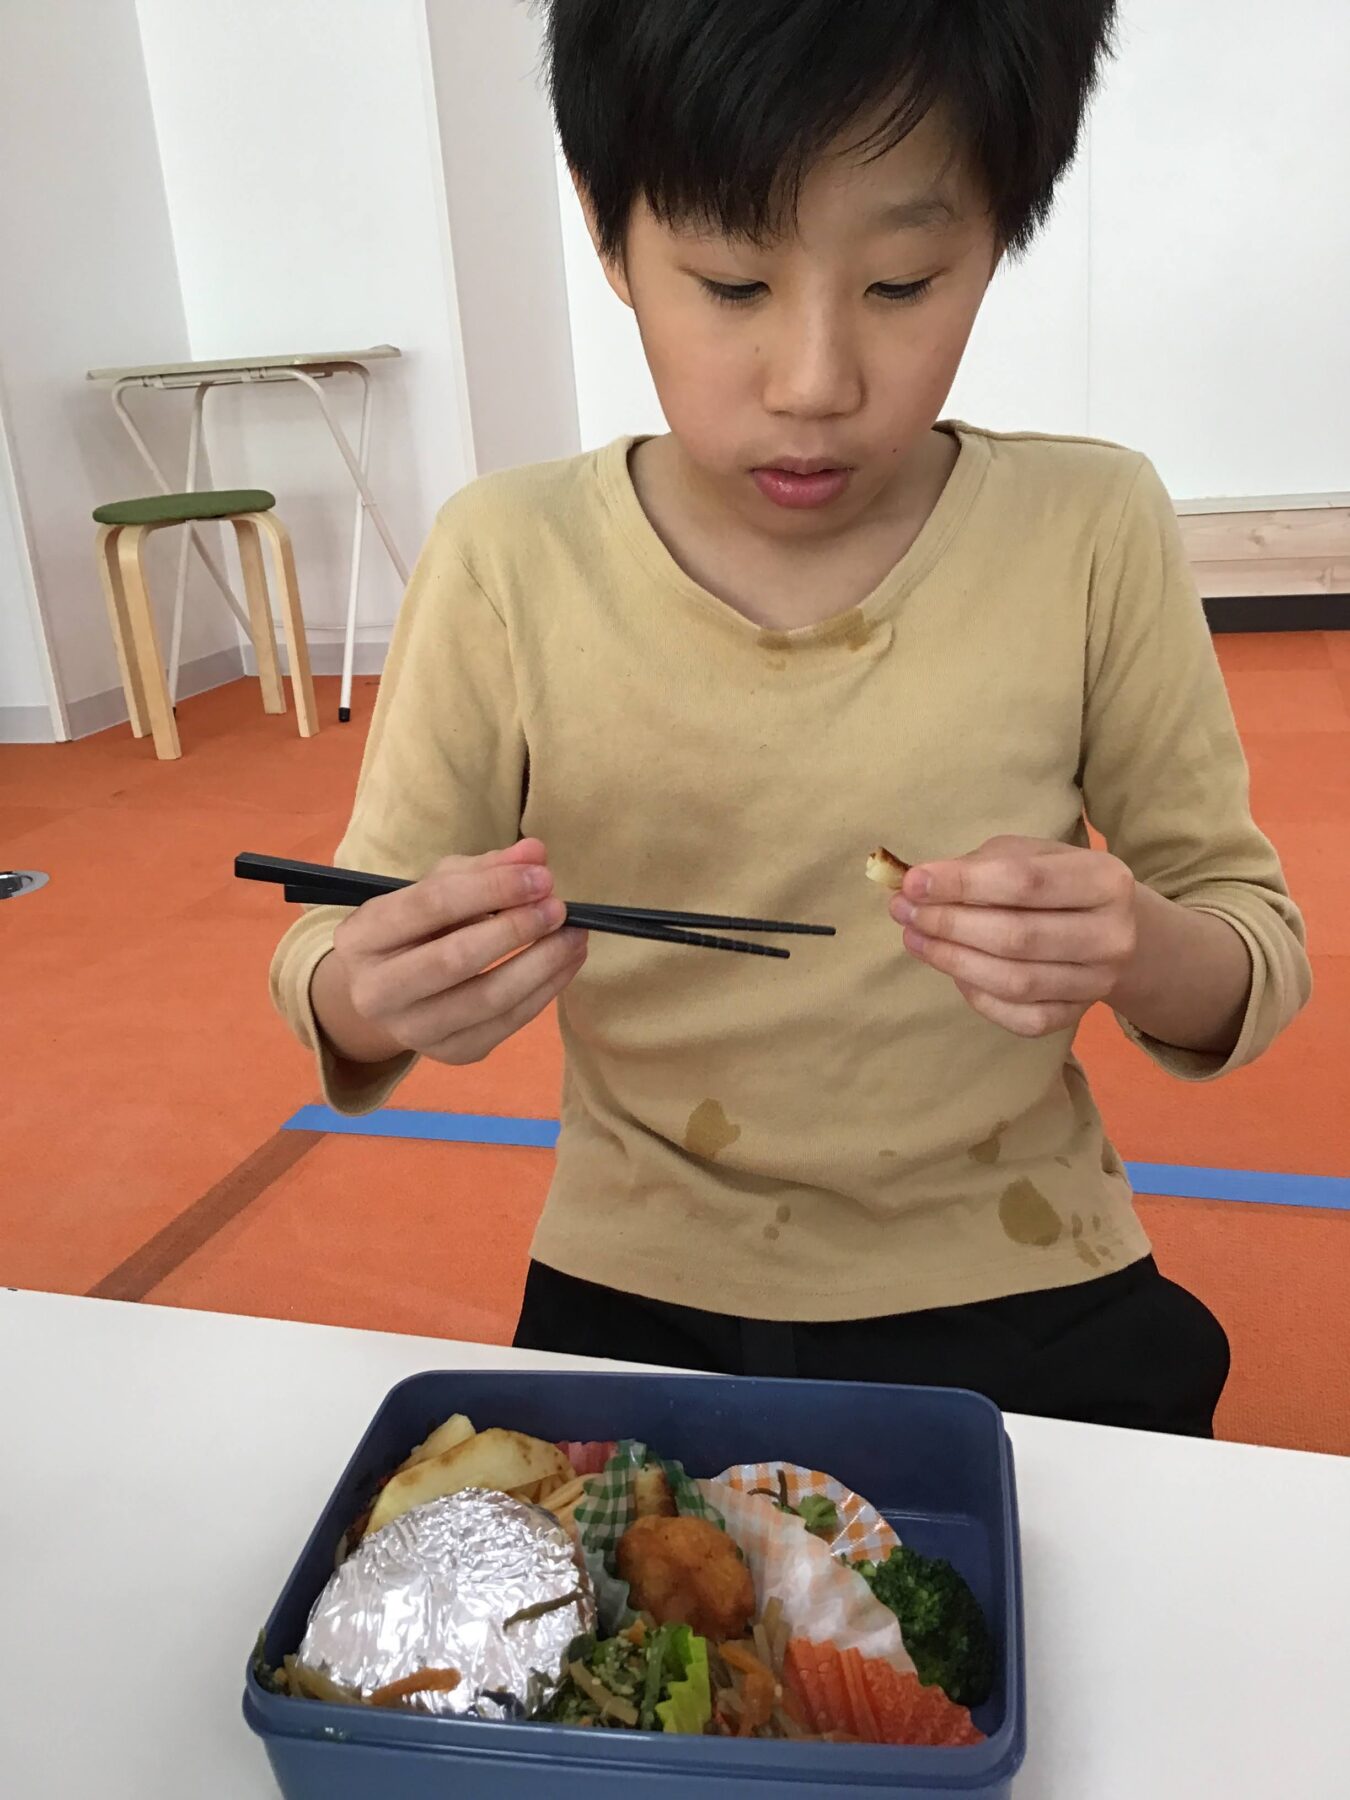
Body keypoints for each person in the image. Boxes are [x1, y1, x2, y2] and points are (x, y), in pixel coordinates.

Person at [270, 0, 1309, 1436]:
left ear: (1000, 234)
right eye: (731, 283)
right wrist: (374, 990)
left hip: (1020, 1254)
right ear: (605, 224)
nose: (815, 383)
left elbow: (1250, 946)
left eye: (901, 282)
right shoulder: (508, 557)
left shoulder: (1089, 523)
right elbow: (337, 937)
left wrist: (1132, 942)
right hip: (638, 1273)